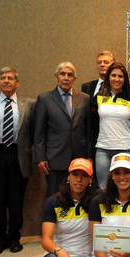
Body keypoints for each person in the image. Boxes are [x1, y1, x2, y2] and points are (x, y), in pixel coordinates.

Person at [0, 66, 35, 257]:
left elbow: (31, 132)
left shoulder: (29, 104)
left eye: (10, 78)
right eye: (3, 78)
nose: (6, 81)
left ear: (17, 82)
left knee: (16, 200)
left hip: (18, 155)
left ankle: (14, 239)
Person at [34, 62, 92, 197]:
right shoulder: (45, 99)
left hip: (79, 158)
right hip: (54, 158)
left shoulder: (84, 98)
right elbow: (39, 132)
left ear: (75, 79)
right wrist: (40, 157)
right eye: (62, 74)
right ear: (56, 76)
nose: (66, 77)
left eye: (70, 75)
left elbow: (89, 131)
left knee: (79, 197)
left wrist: (89, 156)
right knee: (55, 197)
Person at [91, 62, 130, 190]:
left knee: (124, 188)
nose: (117, 79)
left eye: (120, 76)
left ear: (125, 79)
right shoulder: (98, 98)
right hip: (103, 149)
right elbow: (92, 124)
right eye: (113, 75)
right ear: (108, 77)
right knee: (103, 189)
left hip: (124, 148)